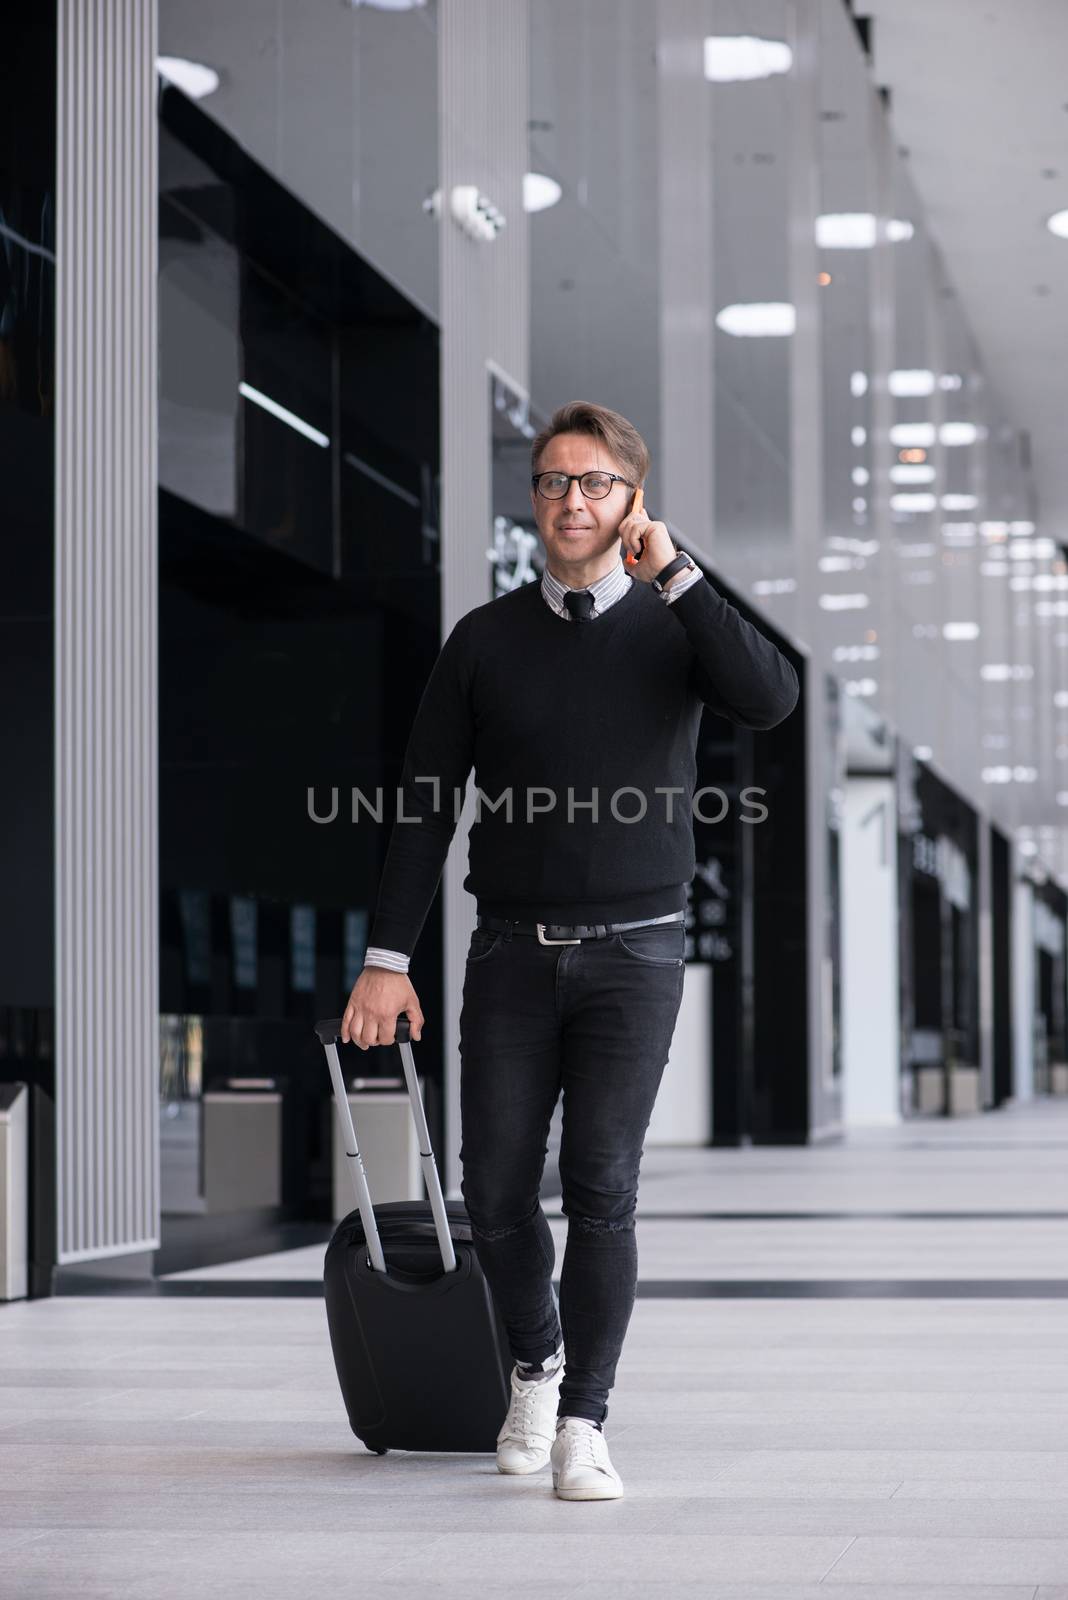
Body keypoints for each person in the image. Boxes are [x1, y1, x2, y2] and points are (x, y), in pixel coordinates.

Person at [341, 400, 799, 1500]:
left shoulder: (676, 620)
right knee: (494, 1189)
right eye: (554, 482)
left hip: (636, 956)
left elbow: (772, 697)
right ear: (534, 498)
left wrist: (677, 573)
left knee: (601, 1184)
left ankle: (586, 1416)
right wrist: (387, 957)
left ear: (632, 499)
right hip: (509, 951)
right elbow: (422, 807)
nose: (573, 501)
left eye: (596, 483)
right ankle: (534, 1363)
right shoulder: (485, 640)